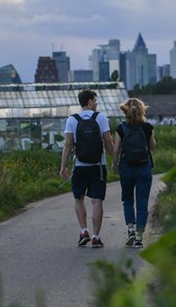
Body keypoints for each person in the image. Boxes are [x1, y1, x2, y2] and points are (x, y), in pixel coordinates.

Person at [60, 89, 114, 248]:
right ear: (89, 101)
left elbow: (68, 144)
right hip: (98, 166)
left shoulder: (72, 119)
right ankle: (96, 236)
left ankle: (84, 231)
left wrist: (63, 165)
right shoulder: (100, 118)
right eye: (95, 100)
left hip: (80, 166)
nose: (96, 103)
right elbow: (108, 141)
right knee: (97, 201)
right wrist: (114, 161)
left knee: (79, 198)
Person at [112, 97, 155, 249]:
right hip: (144, 168)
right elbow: (153, 146)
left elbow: (116, 149)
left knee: (128, 200)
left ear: (125, 110)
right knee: (142, 203)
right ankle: (139, 237)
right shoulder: (148, 127)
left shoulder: (121, 128)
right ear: (142, 110)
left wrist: (114, 165)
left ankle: (130, 230)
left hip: (126, 167)